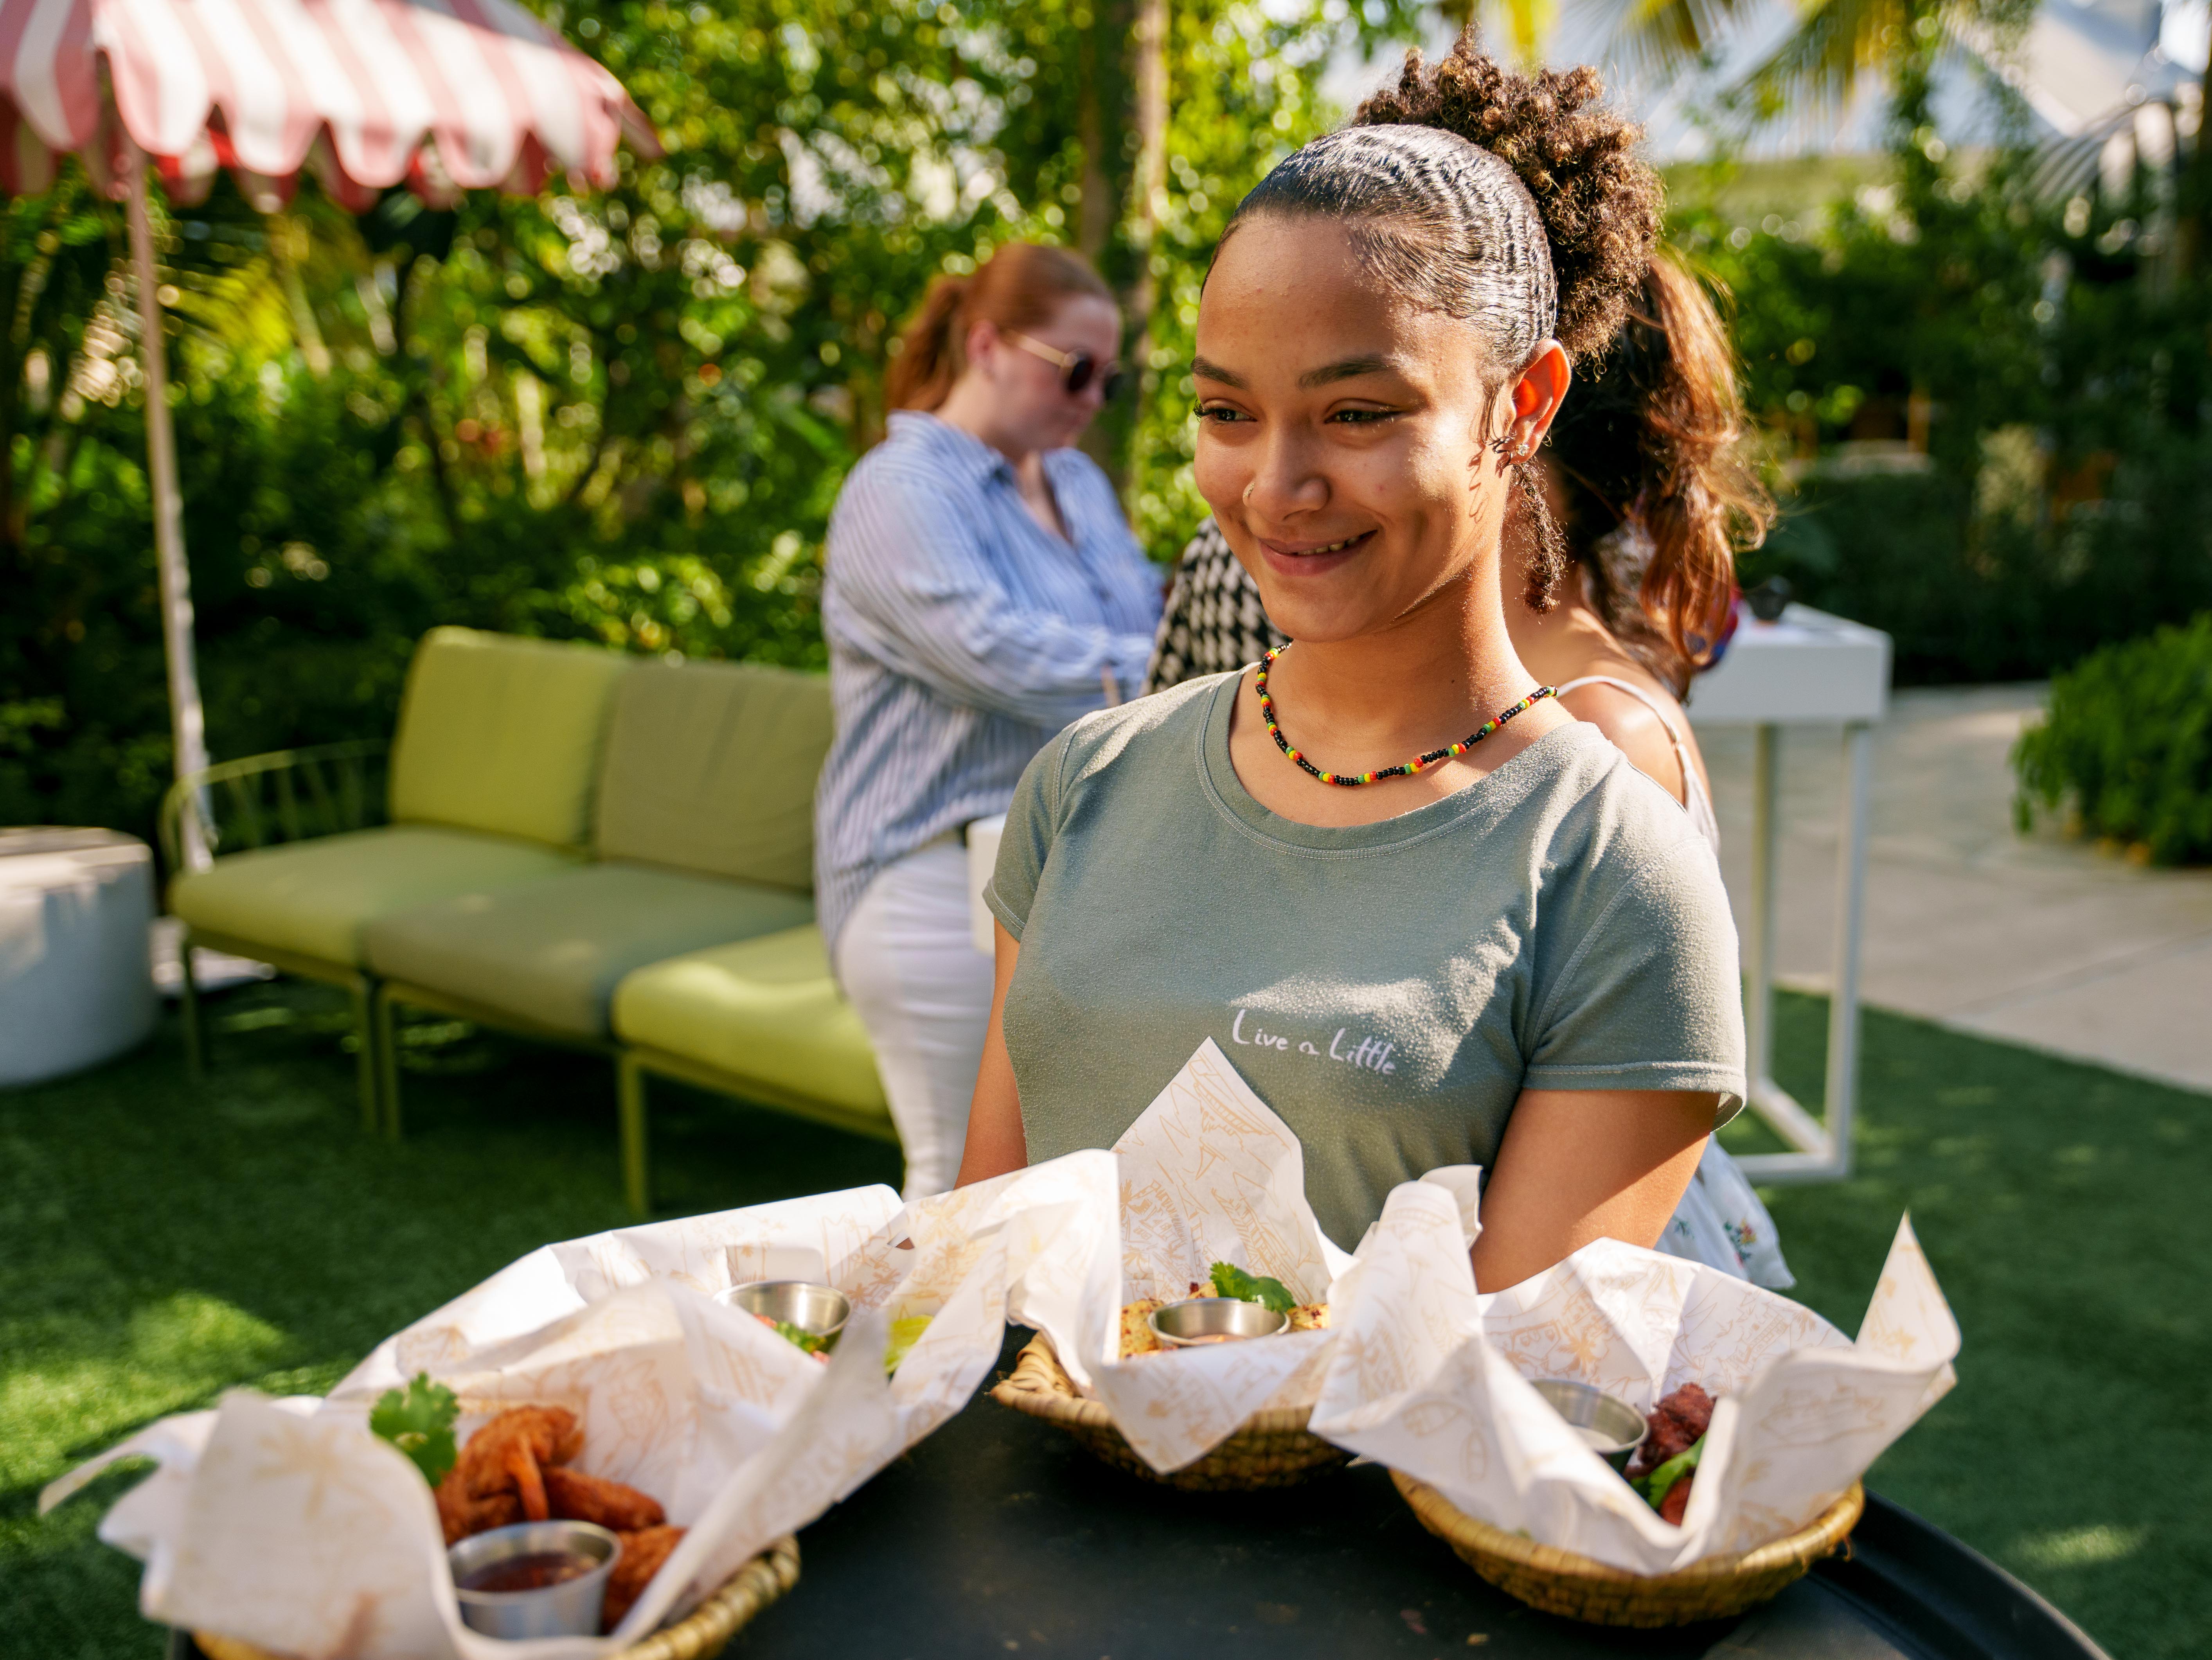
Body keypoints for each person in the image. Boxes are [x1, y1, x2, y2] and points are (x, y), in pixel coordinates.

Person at [957, 38, 1749, 1292]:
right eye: (1226, 413)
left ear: (1521, 404)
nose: (1276, 486)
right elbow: (978, 1270)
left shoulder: (1609, 875)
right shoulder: (1080, 788)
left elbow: (1500, 1398)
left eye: (1357, 412)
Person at [1141, 251, 1795, 1288]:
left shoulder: (1597, 749)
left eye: (1367, 411)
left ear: (1508, 424)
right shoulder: (1312, 668)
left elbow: (1532, 1278)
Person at [815, 243, 1162, 1200]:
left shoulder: (1078, 483)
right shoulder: (897, 491)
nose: (1095, 397)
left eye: (1111, 376)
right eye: (1076, 369)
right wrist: (1194, 678)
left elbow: (1139, 622)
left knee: (1059, 1168)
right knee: (959, 1182)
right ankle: (938, 1355)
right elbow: (995, 656)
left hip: (1057, 874)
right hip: (925, 873)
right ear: (987, 345)